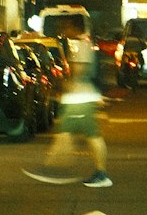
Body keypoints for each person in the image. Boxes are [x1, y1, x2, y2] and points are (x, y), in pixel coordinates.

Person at [32, 14, 112, 187]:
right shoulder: (80, 44)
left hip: (82, 98)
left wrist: (64, 84)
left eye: (66, 27)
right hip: (78, 98)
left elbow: (80, 70)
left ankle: (100, 173)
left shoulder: (83, 45)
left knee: (90, 136)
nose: (63, 30)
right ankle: (55, 168)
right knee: (66, 133)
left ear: (75, 28)